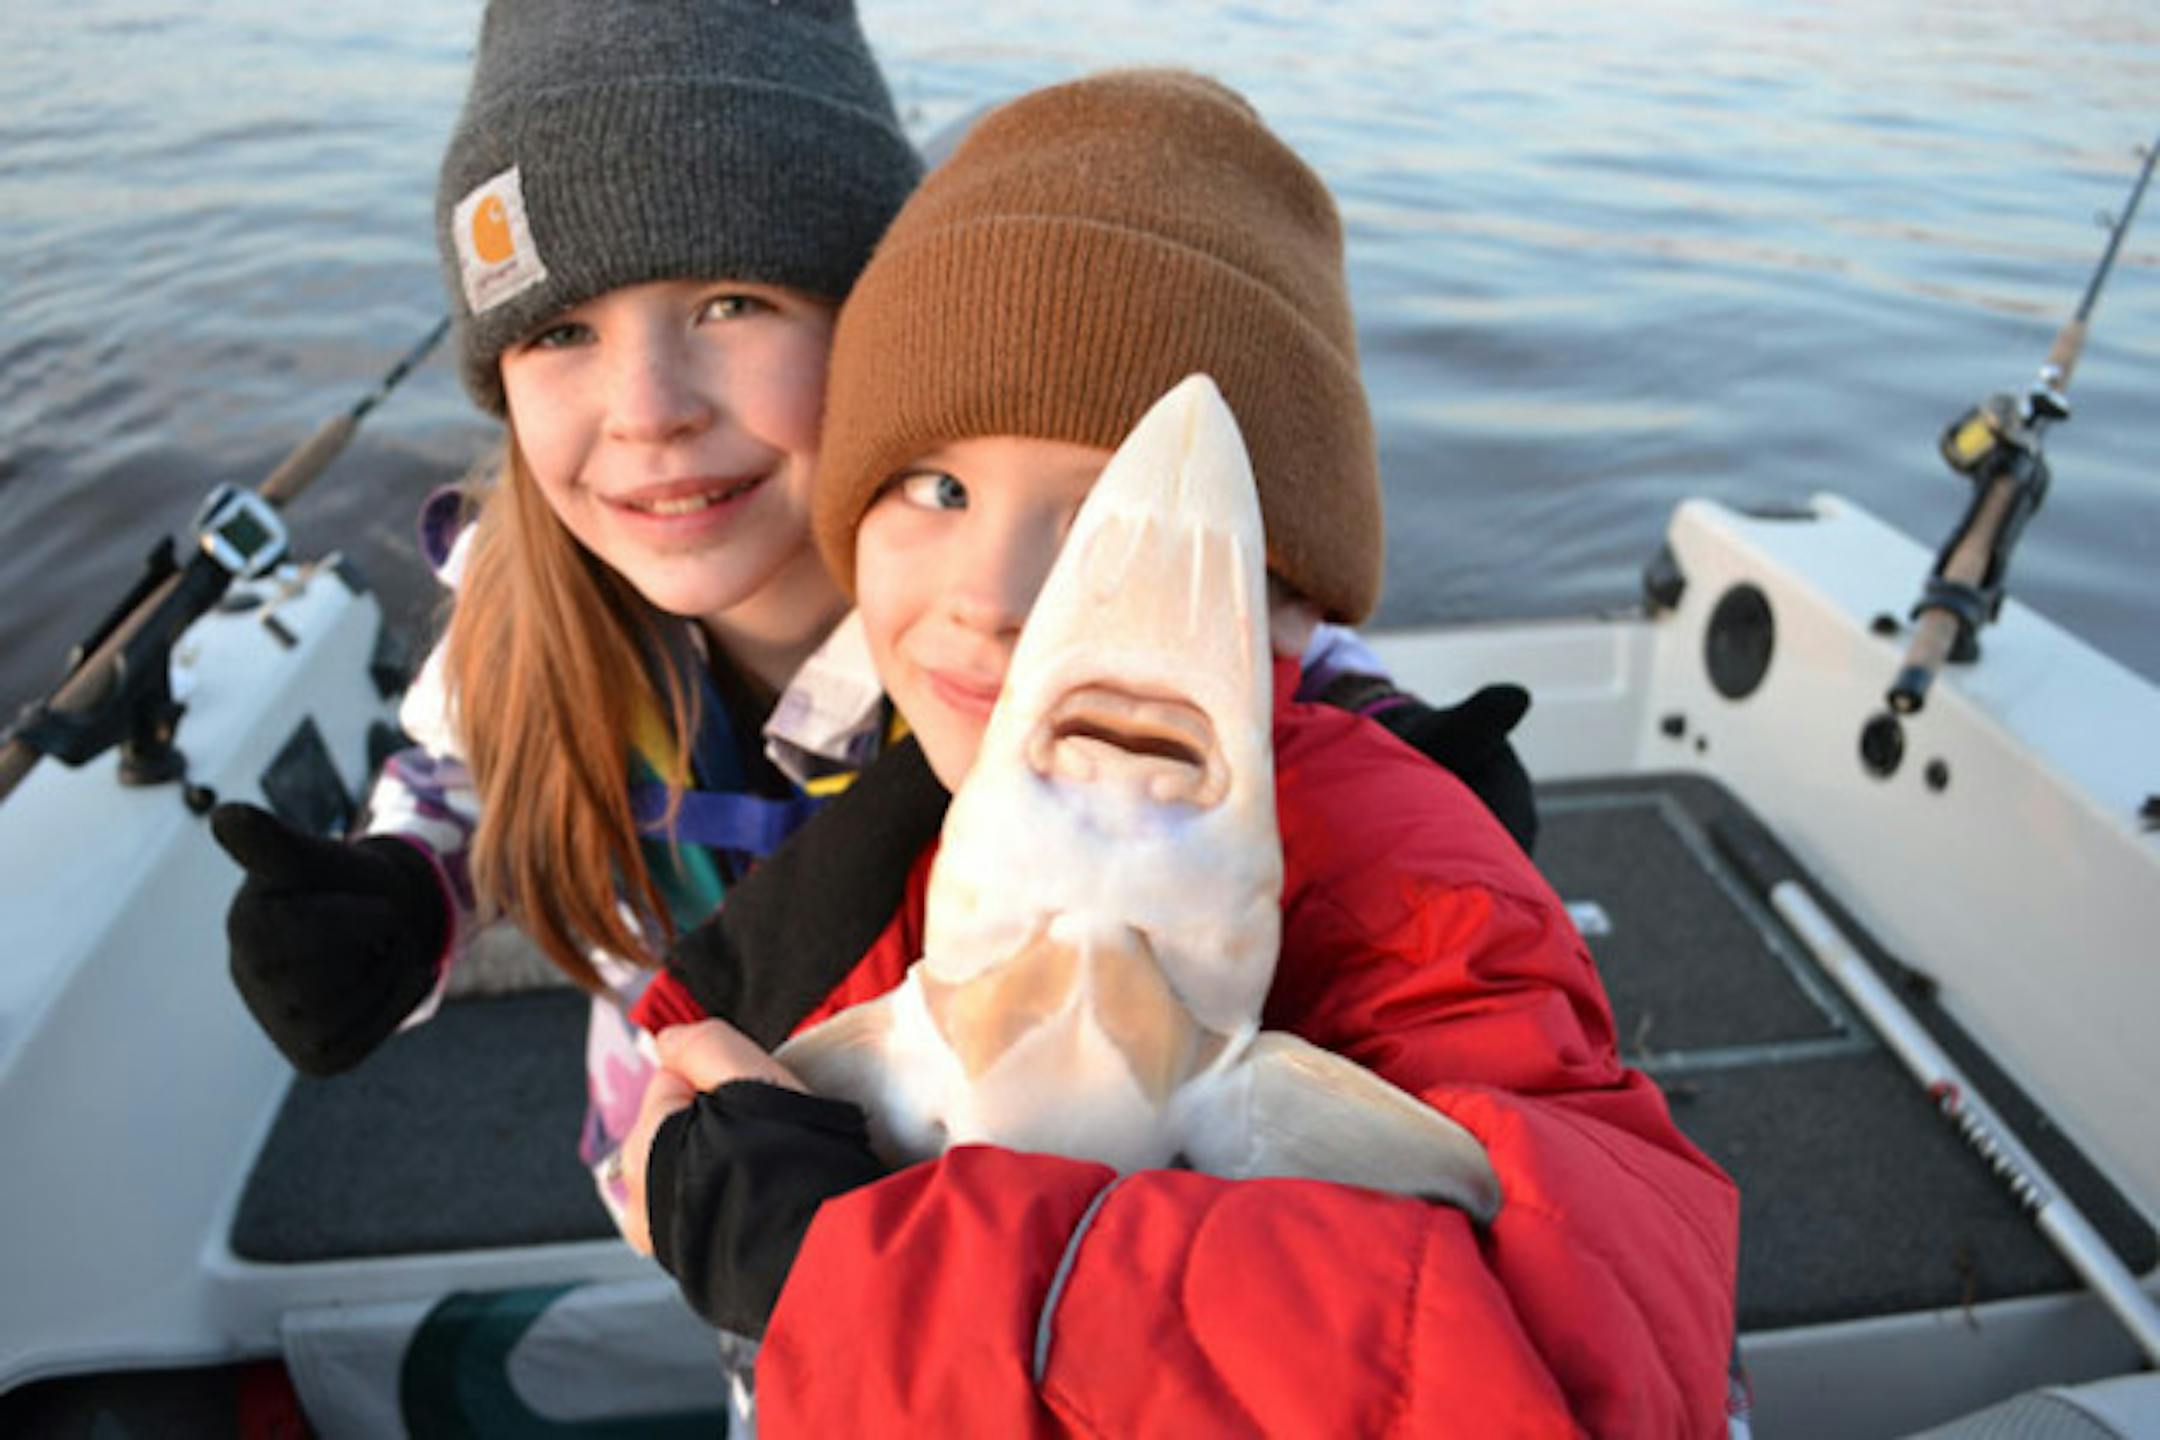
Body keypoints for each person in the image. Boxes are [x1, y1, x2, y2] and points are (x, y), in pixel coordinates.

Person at [622, 68, 1742, 1437]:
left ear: (1294, 600)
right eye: (937, 486)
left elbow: (1587, 1366)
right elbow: (670, 1137)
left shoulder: (1432, 896)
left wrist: (874, 1266)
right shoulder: (892, 813)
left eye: (1101, 519)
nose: (993, 595)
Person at [207, 0, 923, 1217]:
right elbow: (476, 781)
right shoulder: (524, 611)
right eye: (562, 329)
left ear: (877, 319)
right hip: (682, 1189)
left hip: (972, 1225)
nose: (647, 410)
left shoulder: (1002, 622)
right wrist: (402, 895)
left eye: (732, 302)